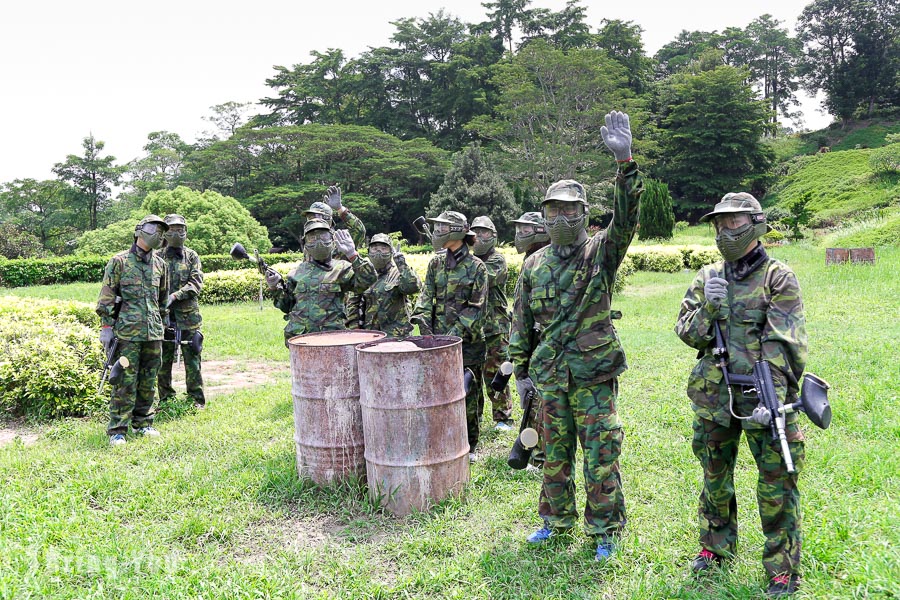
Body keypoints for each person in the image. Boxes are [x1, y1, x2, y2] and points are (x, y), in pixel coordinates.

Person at [508, 111, 642, 561]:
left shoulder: (600, 251)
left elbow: (626, 220)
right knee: (553, 451)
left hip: (593, 372)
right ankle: (554, 521)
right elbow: (521, 319)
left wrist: (625, 164)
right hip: (550, 374)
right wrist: (521, 371)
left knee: (601, 451)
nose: (561, 217)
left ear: (585, 214)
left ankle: (604, 529)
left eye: (570, 210)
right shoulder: (534, 264)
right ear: (543, 216)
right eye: (553, 210)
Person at [675, 192, 807, 597]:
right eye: (720, 223)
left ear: (755, 224)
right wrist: (709, 311)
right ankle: (715, 548)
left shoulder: (777, 276)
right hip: (714, 397)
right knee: (715, 476)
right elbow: (686, 332)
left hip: (764, 396)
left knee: (776, 483)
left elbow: (785, 342)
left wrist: (773, 400)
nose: (726, 231)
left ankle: (782, 568)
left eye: (734, 222)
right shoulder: (708, 276)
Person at [410, 211, 488, 462]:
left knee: (468, 394)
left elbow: (476, 309)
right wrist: (421, 321)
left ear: (457, 232)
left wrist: (451, 338)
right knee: (437, 392)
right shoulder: (436, 263)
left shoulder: (477, 268)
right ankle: (442, 438)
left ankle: (470, 445)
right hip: (437, 341)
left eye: (442, 228)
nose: (437, 232)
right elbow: (425, 296)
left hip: (469, 342)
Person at [97, 215, 170, 446]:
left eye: (162, 231)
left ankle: (143, 423)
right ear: (139, 231)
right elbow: (106, 297)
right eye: (154, 229)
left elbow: (163, 299)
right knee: (124, 382)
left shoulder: (160, 264)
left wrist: (164, 325)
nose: (158, 234)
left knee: (149, 379)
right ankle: (118, 429)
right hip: (127, 333)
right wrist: (106, 328)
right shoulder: (119, 262)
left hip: (153, 333)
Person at [267, 218, 376, 345]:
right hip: (301, 340)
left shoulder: (341, 268)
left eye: (323, 237)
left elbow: (368, 281)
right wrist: (275, 287)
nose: (318, 242)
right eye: (312, 238)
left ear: (332, 240)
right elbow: (287, 306)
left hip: (331, 339)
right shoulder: (297, 272)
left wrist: (352, 254)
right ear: (305, 243)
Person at [510, 211, 551, 469]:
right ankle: (535, 451)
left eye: (526, 230)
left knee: (541, 400)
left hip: (545, 342)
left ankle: (540, 455)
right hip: (529, 338)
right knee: (533, 400)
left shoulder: (551, 259)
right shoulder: (531, 261)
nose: (520, 235)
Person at [157, 214, 206, 409]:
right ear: (164, 232)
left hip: (188, 317)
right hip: (164, 317)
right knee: (163, 359)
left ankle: (196, 398)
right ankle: (166, 398)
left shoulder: (192, 256)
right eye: (172, 229)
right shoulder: (157, 257)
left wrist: (175, 296)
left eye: (180, 229)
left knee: (192, 358)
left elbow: (196, 283)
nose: (177, 233)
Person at [471, 215, 514, 431]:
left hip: (495, 327)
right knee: (474, 377)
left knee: (496, 373)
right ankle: (474, 419)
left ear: (493, 236)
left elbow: (482, 278)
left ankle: (502, 417)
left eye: (484, 232)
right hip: (473, 329)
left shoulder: (497, 261)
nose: (479, 237)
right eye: (475, 232)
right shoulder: (467, 263)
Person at [353, 233, 421, 337]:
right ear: (368, 251)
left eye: (383, 248)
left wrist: (401, 264)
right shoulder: (365, 275)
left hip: (396, 335)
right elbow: (353, 303)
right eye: (374, 248)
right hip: (370, 334)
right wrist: (354, 328)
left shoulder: (399, 272)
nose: (378, 252)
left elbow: (412, 287)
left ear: (391, 252)